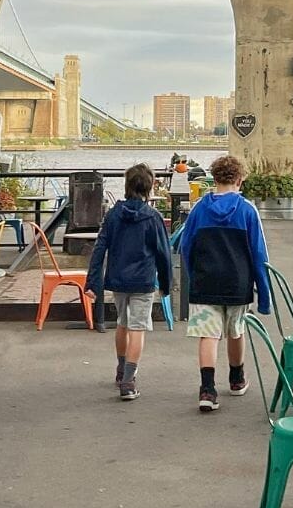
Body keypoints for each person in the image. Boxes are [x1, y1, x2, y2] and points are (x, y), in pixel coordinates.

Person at [174, 153, 270, 412]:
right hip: (238, 283)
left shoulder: (199, 209)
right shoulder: (247, 210)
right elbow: (259, 254)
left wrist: (194, 275)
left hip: (205, 281)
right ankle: (236, 379)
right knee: (236, 331)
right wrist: (264, 295)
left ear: (214, 179)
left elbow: (186, 246)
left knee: (208, 334)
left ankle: (207, 389)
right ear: (239, 180)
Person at [86, 163, 173, 401]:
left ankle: (121, 368)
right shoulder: (153, 217)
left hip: (118, 278)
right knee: (138, 328)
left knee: (122, 324)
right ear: (149, 187)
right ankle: (128, 380)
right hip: (143, 279)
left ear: (127, 185)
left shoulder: (113, 214)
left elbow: (99, 248)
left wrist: (93, 281)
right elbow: (163, 254)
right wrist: (166, 283)